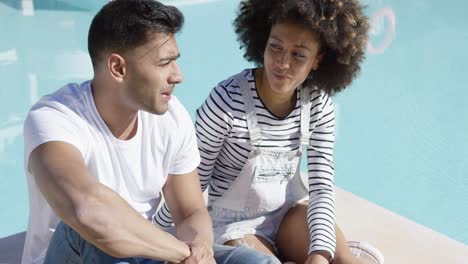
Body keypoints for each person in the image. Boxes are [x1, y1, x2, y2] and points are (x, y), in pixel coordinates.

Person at [21, 0, 281, 263]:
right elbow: (87, 209)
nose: (177, 76)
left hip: (149, 254)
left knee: (259, 262)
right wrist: (179, 253)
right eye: (164, 63)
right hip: (76, 254)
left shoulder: (171, 116)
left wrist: (200, 250)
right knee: (82, 228)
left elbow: (189, 210)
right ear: (118, 68)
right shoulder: (54, 118)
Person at [155, 0, 384, 263]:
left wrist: (320, 255)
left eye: (298, 55)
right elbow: (191, 184)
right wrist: (157, 234)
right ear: (263, 40)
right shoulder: (226, 100)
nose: (282, 63)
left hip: (287, 216)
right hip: (231, 226)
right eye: (275, 46)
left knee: (343, 261)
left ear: (318, 59)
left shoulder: (318, 106)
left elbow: (321, 189)